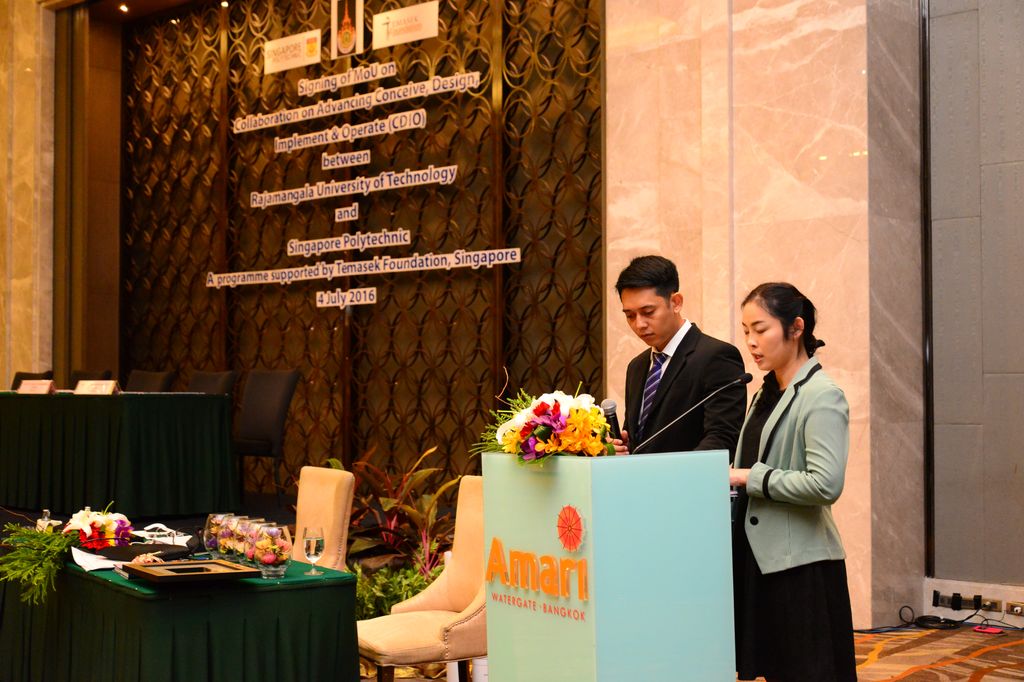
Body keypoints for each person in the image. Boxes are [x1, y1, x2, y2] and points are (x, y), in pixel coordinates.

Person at [729, 282, 856, 681]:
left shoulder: (822, 395)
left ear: (796, 327)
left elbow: (825, 484)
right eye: (745, 331)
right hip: (759, 560)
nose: (751, 342)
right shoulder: (764, 393)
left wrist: (749, 477)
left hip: (801, 568)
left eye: (760, 329)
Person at [613, 255, 745, 455]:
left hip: (690, 476)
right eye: (630, 315)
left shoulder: (716, 357)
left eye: (648, 312)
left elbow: (722, 438)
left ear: (676, 302)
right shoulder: (637, 366)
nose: (639, 324)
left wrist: (673, 470)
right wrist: (620, 448)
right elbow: (639, 441)